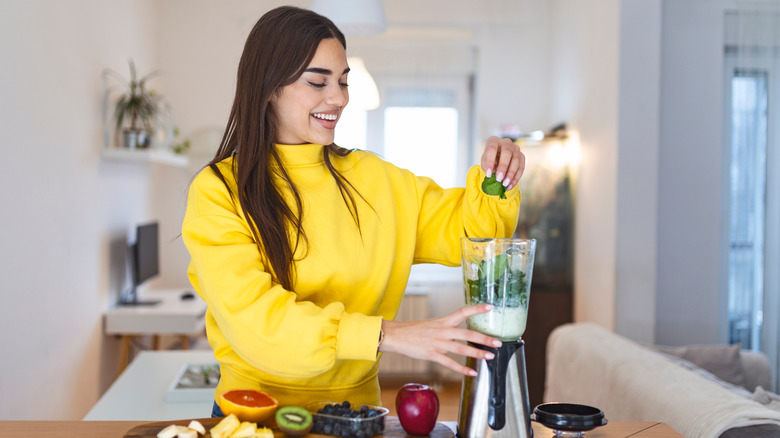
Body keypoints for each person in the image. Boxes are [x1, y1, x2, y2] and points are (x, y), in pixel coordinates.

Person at [181, 5, 526, 414]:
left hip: (357, 415)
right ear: (269, 86)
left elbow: (473, 233)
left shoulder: (376, 180)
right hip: (254, 414)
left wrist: (498, 176)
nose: (338, 98)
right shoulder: (220, 191)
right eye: (318, 82)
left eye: (344, 82)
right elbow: (257, 323)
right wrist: (386, 335)